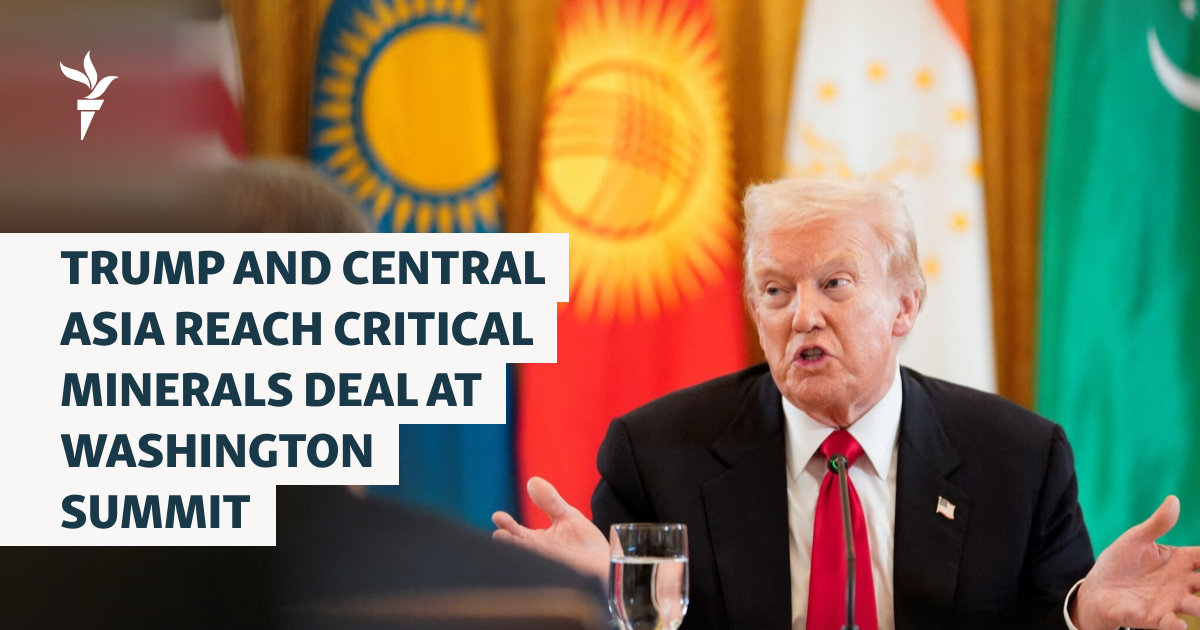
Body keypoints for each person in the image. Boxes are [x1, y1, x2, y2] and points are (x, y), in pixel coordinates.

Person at [493, 177, 1200, 630]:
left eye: (835, 284)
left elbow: (1045, 617)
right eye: (776, 291)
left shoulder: (1018, 459)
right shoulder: (657, 456)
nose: (802, 316)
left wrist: (1083, 615)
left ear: (904, 306)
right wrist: (597, 607)